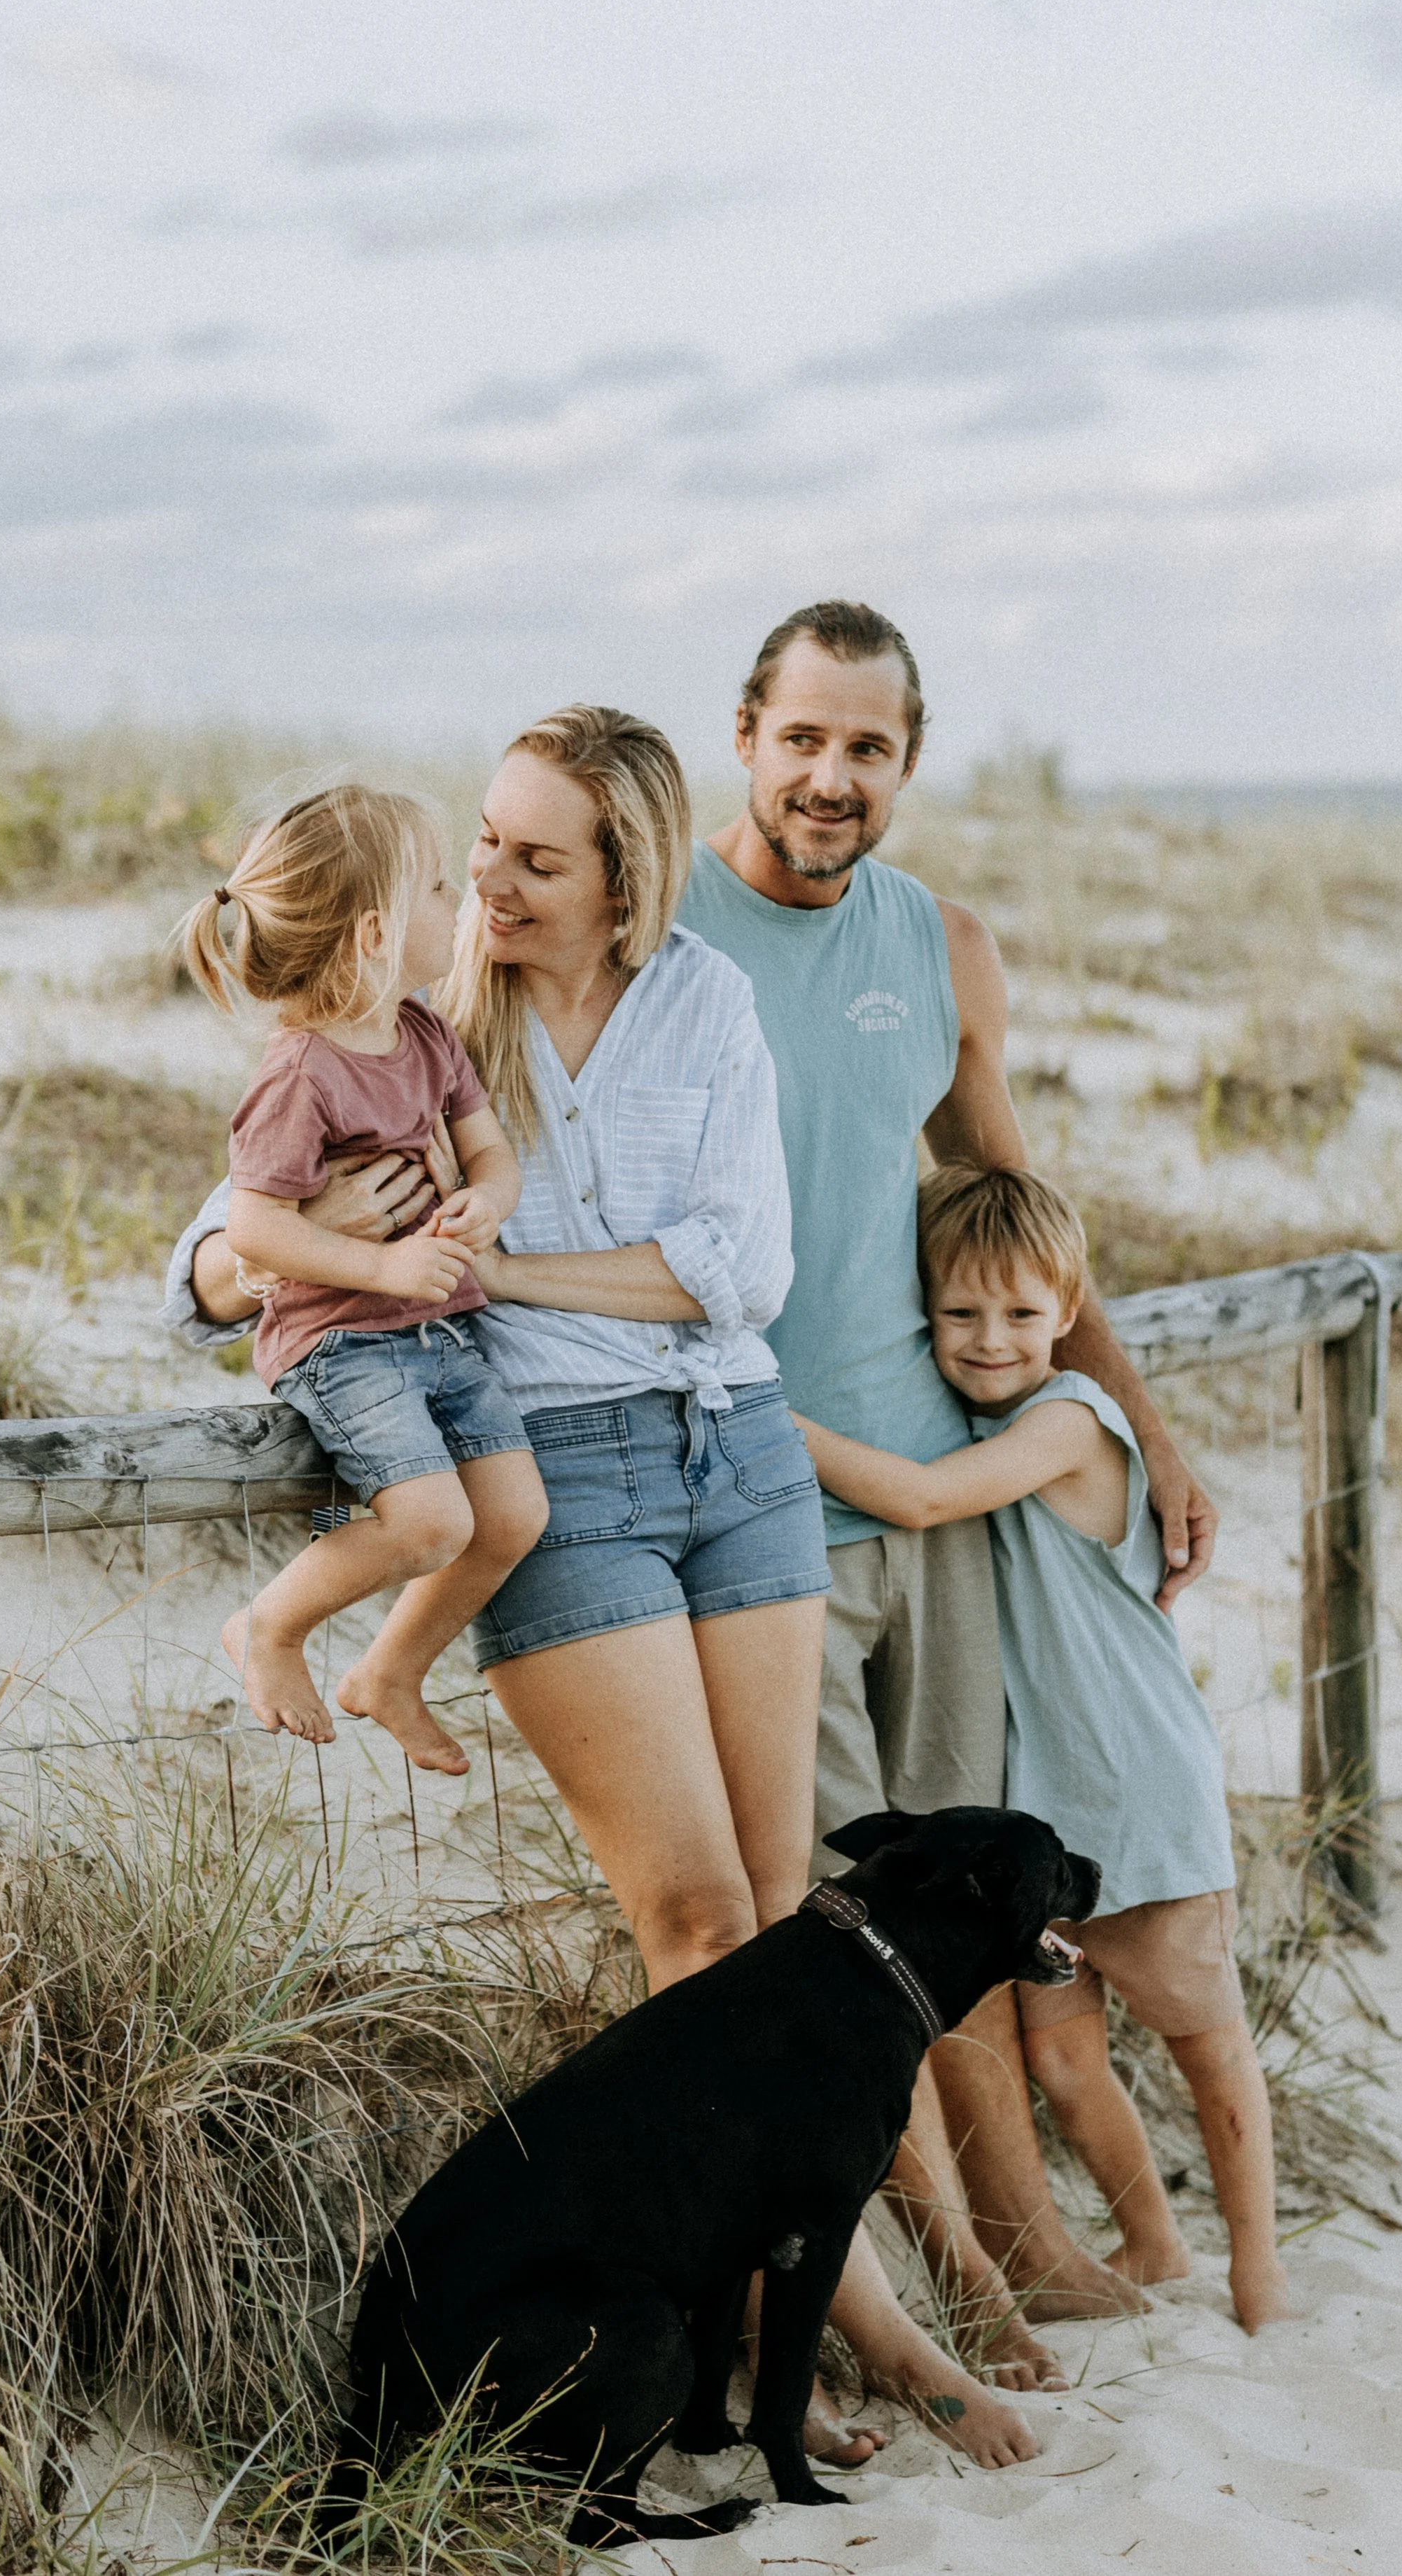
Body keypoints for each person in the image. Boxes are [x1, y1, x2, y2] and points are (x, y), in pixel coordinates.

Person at [171, 708, 1049, 2469]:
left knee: (805, 1933)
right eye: (480, 845)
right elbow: (215, 1252)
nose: (484, 879)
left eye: (529, 855)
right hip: (560, 1479)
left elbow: (741, 1269)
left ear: (621, 876)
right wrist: (255, 1269)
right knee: (699, 1926)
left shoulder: (705, 1006)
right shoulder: (422, 1018)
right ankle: (864, 2336)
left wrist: (495, 1259)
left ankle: (801, 2306)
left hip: (740, 1456)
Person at [794, 1163, 1289, 2335]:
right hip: (1044, 1804)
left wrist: (776, 1407)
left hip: (1137, 1783)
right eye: (958, 1313)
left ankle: (1259, 2266)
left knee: (1204, 2039)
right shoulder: (983, 1410)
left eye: (1021, 1313)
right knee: (1065, 2064)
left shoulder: (1069, 1419)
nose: (988, 1339)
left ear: (1067, 1312)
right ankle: (1156, 2236)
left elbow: (916, 1499)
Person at [177, 783, 549, 1777]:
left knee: (514, 1516)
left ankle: (392, 1671)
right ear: (378, 931)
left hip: (439, 1331)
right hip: (343, 1343)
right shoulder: (299, 1070)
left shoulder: (427, 1034)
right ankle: (268, 1625)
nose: (459, 898)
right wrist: (382, 1263)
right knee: (431, 1520)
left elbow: (492, 1154)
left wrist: (489, 1203)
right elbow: (255, 1224)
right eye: (437, 886)